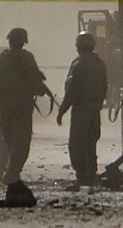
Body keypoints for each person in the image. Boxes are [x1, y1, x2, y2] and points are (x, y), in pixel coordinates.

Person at [0, 27, 49, 185]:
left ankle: (8, 170)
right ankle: (12, 172)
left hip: (4, 106)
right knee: (22, 140)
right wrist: (40, 88)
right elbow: (33, 80)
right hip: (21, 106)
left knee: (9, 139)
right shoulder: (26, 58)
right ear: (23, 42)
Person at [56, 31, 108, 189]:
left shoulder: (79, 65)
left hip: (81, 110)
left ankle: (82, 177)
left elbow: (72, 90)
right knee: (90, 143)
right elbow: (104, 86)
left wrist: (61, 110)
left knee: (77, 144)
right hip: (94, 108)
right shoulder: (99, 63)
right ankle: (90, 176)